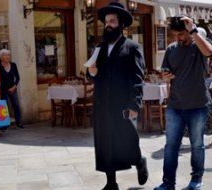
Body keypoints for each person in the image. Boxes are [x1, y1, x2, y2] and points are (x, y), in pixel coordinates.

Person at [86, 2, 148, 190]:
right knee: (105, 142)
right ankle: (111, 183)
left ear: (121, 24)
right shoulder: (99, 48)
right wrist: (92, 72)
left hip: (123, 104)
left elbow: (138, 79)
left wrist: (134, 104)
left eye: (112, 21)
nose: (108, 25)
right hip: (102, 104)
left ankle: (139, 161)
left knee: (127, 138)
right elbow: (92, 74)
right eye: (106, 21)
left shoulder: (132, 48)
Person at [154, 15, 212, 190]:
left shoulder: (199, 46)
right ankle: (168, 183)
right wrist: (165, 75)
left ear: (188, 32)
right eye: (174, 34)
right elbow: (165, 71)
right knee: (171, 145)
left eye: (180, 34)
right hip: (175, 106)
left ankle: (196, 179)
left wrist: (193, 29)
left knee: (197, 145)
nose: (177, 38)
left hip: (198, 104)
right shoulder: (171, 49)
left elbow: (209, 51)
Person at [0, 49, 24, 129]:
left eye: (9, 55)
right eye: (6, 55)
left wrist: (14, 86)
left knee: (16, 104)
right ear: (1, 57)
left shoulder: (13, 65)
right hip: (3, 89)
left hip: (12, 87)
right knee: (3, 106)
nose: (8, 57)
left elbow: (18, 77)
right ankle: (4, 124)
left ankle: (19, 122)